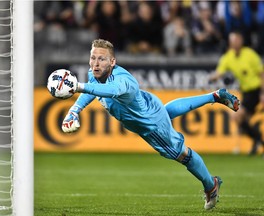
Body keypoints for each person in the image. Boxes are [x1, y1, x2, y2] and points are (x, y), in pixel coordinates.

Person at [62, 39, 240, 210]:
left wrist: (77, 86)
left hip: (150, 125)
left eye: (101, 59)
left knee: (181, 154)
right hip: (150, 105)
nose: (96, 63)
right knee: (166, 112)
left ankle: (211, 185)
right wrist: (74, 110)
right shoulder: (93, 74)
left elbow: (112, 91)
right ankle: (214, 96)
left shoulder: (124, 81)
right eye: (93, 58)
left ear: (113, 61)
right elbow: (91, 89)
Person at [209, 31, 264, 155]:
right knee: (244, 122)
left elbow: (261, 73)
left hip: (254, 90)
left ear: (241, 41)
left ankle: (259, 140)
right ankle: (257, 141)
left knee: (237, 116)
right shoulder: (228, 57)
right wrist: (212, 77)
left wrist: (262, 93)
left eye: (235, 40)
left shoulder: (250, 54)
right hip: (245, 92)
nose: (233, 43)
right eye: (231, 41)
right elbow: (219, 71)